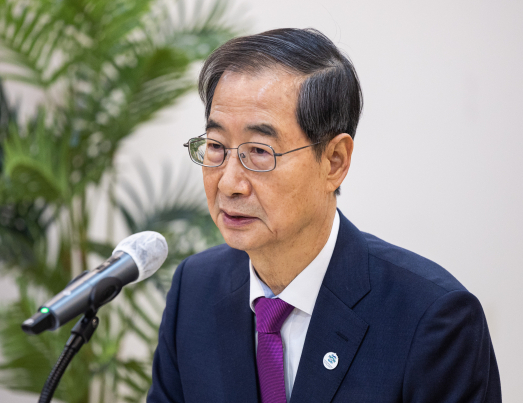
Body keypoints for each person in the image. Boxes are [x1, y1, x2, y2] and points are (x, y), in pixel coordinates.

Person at [147, 28, 501, 403]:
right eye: (216, 146)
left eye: (260, 152)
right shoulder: (195, 289)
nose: (229, 183)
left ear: (334, 161)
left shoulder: (432, 318)